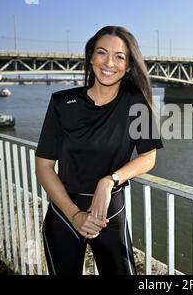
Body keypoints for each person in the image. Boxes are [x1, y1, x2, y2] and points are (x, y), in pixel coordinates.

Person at [35, 26, 163, 275]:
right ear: (90, 57)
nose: (109, 63)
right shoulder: (62, 103)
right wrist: (75, 216)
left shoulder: (135, 103)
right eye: (102, 53)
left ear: (128, 67)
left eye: (120, 57)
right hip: (64, 214)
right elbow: (44, 166)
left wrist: (109, 180)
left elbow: (148, 157)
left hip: (110, 215)